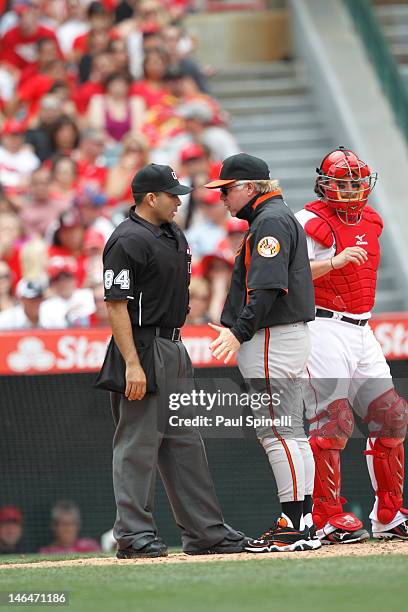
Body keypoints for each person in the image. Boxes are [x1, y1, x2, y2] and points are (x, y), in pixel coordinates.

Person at [98, 162, 249, 558]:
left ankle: (205, 532)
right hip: (143, 347)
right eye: (172, 195)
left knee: (185, 442)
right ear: (151, 198)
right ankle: (133, 535)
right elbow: (116, 306)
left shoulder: (171, 232)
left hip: (174, 345)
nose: (179, 201)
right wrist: (131, 362)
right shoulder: (126, 239)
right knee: (137, 444)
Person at [204, 153, 319, 553]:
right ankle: (304, 520)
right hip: (286, 335)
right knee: (292, 432)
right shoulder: (275, 216)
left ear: (250, 187)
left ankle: (294, 522)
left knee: (276, 431)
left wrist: (238, 332)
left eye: (228, 189)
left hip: (273, 337)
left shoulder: (269, 220)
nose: (223, 198)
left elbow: (267, 288)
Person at [295, 146, 408, 543]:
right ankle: (326, 517)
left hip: (363, 328)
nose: (350, 189)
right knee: (333, 422)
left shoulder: (373, 220)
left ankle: (389, 513)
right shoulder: (308, 220)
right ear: (325, 184)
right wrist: (336, 261)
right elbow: (288, 273)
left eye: (355, 182)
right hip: (323, 324)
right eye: (341, 182)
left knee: (392, 415)